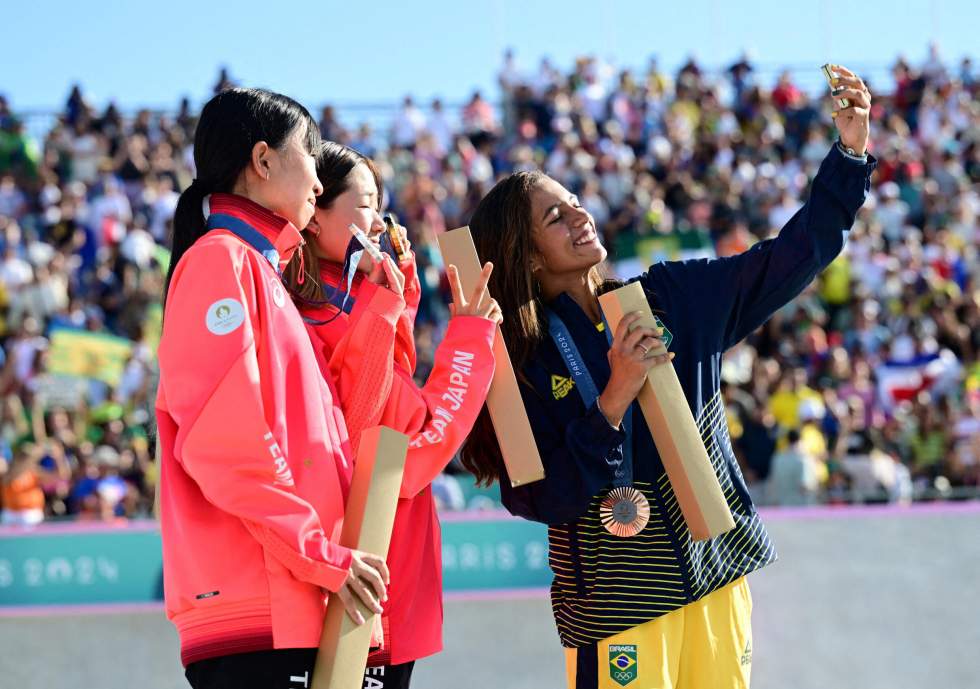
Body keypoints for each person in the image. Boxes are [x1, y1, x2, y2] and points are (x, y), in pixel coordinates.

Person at [461, 66, 875, 689]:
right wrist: (615, 395)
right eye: (554, 217)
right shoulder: (515, 365)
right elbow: (538, 498)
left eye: (574, 201)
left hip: (716, 579)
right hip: (616, 611)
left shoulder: (673, 298)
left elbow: (793, 257)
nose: (579, 215)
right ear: (524, 254)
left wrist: (849, 154)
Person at [155, 89, 388, 689]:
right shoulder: (221, 261)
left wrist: (388, 304)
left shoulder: (261, 271)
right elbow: (222, 441)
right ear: (262, 161)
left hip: (297, 595)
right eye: (308, 153)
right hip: (263, 605)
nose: (317, 177)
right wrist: (318, 553)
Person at [282, 142, 501, 688]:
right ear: (314, 217)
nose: (378, 224)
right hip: (365, 572)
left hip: (373, 569)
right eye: (364, 205)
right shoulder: (313, 321)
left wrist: (394, 307)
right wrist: (469, 342)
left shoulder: (345, 306)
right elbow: (399, 452)